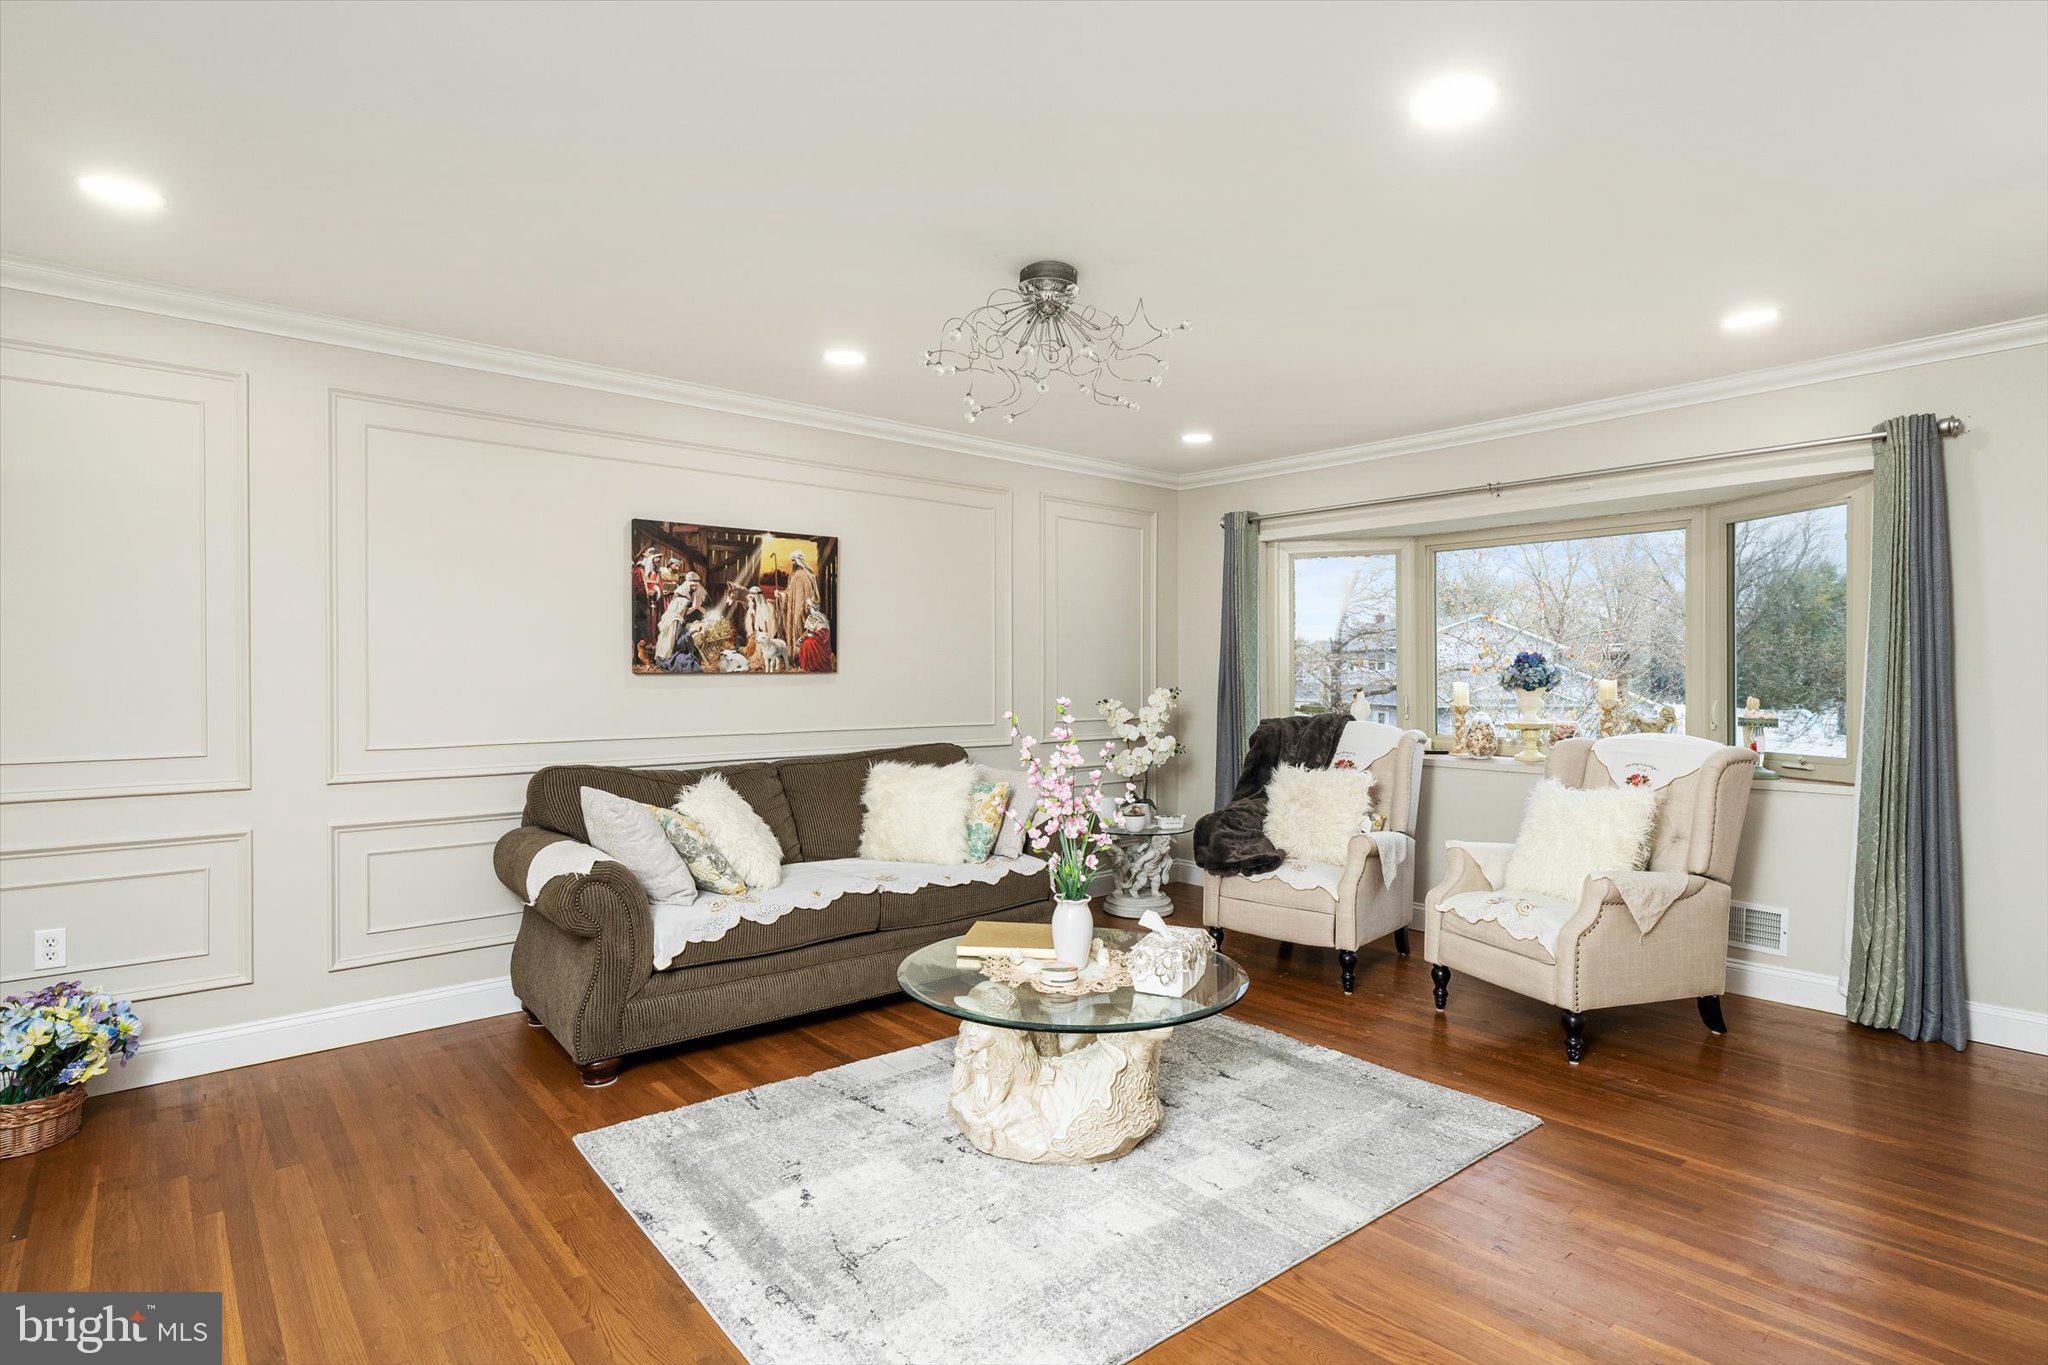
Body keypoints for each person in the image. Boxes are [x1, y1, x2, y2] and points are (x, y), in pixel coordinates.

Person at [777, 549, 820, 648]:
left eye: (794, 560)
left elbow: (811, 594)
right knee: (793, 628)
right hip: (793, 609)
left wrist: (806, 608)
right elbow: (788, 593)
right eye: (791, 560)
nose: (792, 563)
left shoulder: (806, 576)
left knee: (799, 627)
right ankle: (794, 655)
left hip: (802, 609)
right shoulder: (794, 576)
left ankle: (802, 656)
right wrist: (780, 595)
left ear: (799, 560)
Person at [797, 602, 833, 672]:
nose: (808, 609)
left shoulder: (822, 618)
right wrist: (801, 638)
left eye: (809, 607)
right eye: (808, 607)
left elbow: (825, 632)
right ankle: (807, 666)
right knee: (806, 642)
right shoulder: (809, 618)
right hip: (811, 637)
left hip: (821, 639)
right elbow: (807, 631)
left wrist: (814, 634)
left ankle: (815, 666)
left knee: (810, 643)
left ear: (813, 608)